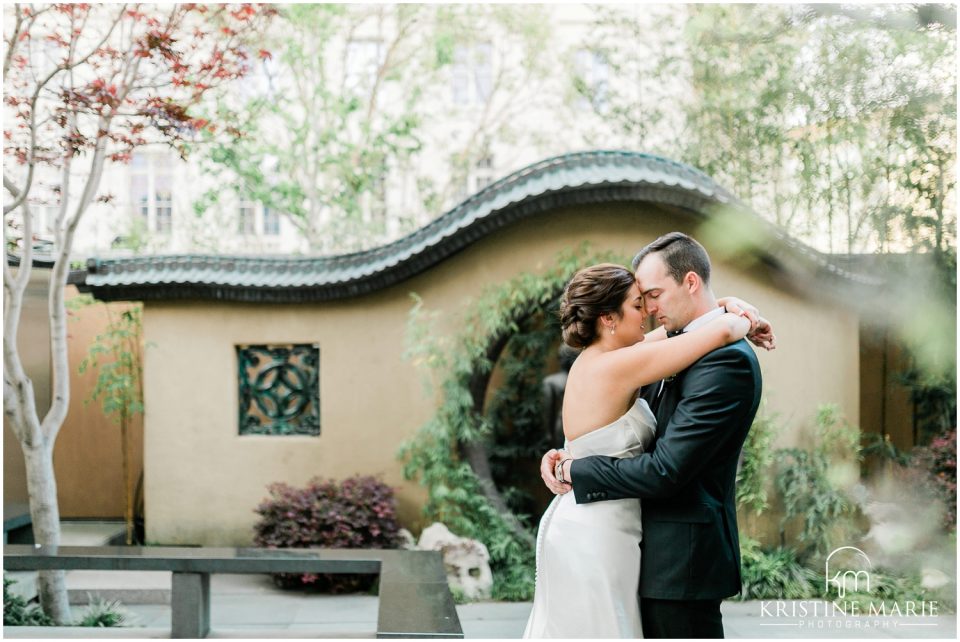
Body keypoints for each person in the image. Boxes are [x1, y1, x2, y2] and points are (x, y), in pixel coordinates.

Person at [527, 233, 773, 639]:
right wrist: (742, 318)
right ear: (608, 318)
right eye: (638, 303)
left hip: (660, 550)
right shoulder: (624, 360)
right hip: (600, 530)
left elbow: (666, 467)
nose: (649, 311)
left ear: (690, 282)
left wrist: (731, 307)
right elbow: (714, 332)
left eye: (652, 296)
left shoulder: (678, 357)